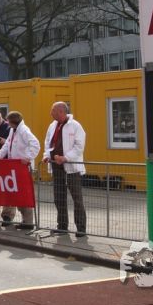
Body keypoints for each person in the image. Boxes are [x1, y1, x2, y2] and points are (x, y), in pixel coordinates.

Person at [42, 101, 87, 238]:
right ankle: (62, 226)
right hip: (56, 167)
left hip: (72, 168)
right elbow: (48, 143)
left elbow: (79, 147)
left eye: (53, 111)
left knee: (77, 199)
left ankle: (81, 228)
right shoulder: (52, 125)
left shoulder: (75, 126)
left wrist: (66, 158)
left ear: (61, 111)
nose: (51, 113)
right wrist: (46, 156)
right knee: (59, 198)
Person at [0, 111, 40, 230]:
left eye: (8, 121)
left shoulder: (24, 131)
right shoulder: (13, 131)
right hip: (15, 168)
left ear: (13, 122)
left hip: (23, 168)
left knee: (24, 195)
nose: (7, 123)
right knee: (18, 195)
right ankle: (26, 221)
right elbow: (7, 145)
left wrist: (28, 157)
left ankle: (28, 222)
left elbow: (35, 144)